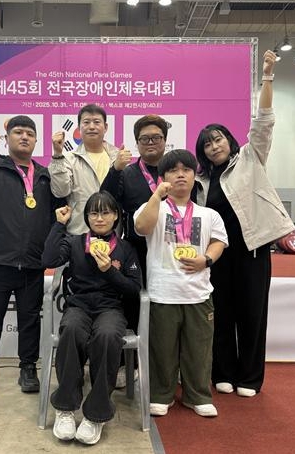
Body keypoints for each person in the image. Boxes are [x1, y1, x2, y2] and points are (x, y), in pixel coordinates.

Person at [194, 49, 295, 398]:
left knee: (252, 315)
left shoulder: (250, 158)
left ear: (229, 140)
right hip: (218, 255)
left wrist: (267, 76)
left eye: (218, 139)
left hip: (253, 251)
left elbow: (264, 120)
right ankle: (222, 371)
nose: (214, 147)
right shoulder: (200, 181)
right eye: (207, 144)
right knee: (220, 314)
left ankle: (250, 378)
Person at [0, 115, 59, 398]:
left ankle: (28, 368)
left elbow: (56, 213)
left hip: (32, 262)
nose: (24, 137)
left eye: (30, 133)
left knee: (30, 320)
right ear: (8, 138)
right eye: (18, 132)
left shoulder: (44, 175)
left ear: (36, 140)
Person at [42, 191, 141, 445]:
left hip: (111, 309)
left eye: (105, 212)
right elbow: (49, 259)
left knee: (107, 335)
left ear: (116, 216)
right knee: (71, 329)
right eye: (94, 213)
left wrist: (109, 271)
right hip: (79, 306)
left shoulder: (125, 249)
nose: (99, 218)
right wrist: (59, 224)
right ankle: (65, 407)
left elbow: (134, 289)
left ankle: (96, 413)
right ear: (86, 217)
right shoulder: (76, 243)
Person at [134, 149, 228, 418]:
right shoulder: (154, 207)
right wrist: (156, 195)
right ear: (163, 177)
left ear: (194, 175)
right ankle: (161, 394)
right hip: (163, 292)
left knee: (199, 349)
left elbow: (219, 241)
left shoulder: (209, 214)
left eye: (186, 170)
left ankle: (198, 395)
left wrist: (205, 260)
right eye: (173, 171)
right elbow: (141, 228)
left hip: (198, 293)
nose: (180, 175)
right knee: (161, 349)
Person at [100, 114, 175, 387]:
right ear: (137, 143)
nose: (151, 142)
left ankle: (168, 367)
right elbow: (106, 200)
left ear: (165, 141)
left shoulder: (175, 170)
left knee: (167, 309)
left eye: (156, 137)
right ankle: (126, 365)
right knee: (131, 306)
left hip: (172, 251)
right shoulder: (127, 173)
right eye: (145, 139)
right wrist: (115, 170)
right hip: (136, 251)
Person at [49, 104, 119, 235]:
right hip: (79, 232)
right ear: (79, 128)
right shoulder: (68, 159)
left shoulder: (117, 158)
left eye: (97, 122)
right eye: (86, 122)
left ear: (106, 127)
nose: (91, 127)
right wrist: (58, 155)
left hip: (113, 234)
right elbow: (60, 192)